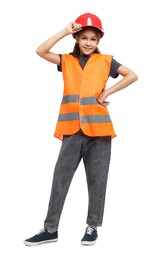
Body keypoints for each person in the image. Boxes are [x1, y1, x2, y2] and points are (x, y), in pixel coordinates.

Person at [24, 13, 138, 246]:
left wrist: (107, 92)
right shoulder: (66, 61)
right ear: (76, 38)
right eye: (83, 38)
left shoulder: (107, 61)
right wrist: (64, 31)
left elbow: (132, 75)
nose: (88, 43)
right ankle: (50, 229)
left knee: (97, 179)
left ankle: (92, 227)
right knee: (60, 178)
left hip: (99, 131)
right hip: (72, 129)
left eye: (93, 39)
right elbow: (40, 51)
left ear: (98, 42)